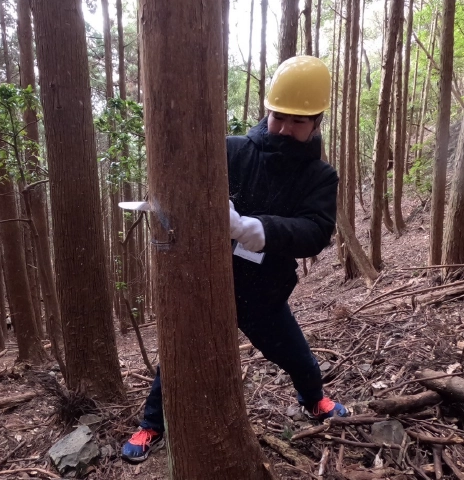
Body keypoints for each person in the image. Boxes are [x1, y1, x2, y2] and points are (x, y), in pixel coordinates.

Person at [121, 55, 347, 464]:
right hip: (206, 283)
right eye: (279, 117)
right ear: (268, 111)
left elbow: (315, 231)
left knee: (297, 357)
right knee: (175, 362)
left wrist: (247, 228)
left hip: (264, 292)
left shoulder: (319, 177)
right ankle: (153, 423)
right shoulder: (229, 151)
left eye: (298, 122)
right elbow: (181, 186)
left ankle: (313, 399)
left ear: (316, 123)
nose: (285, 128)